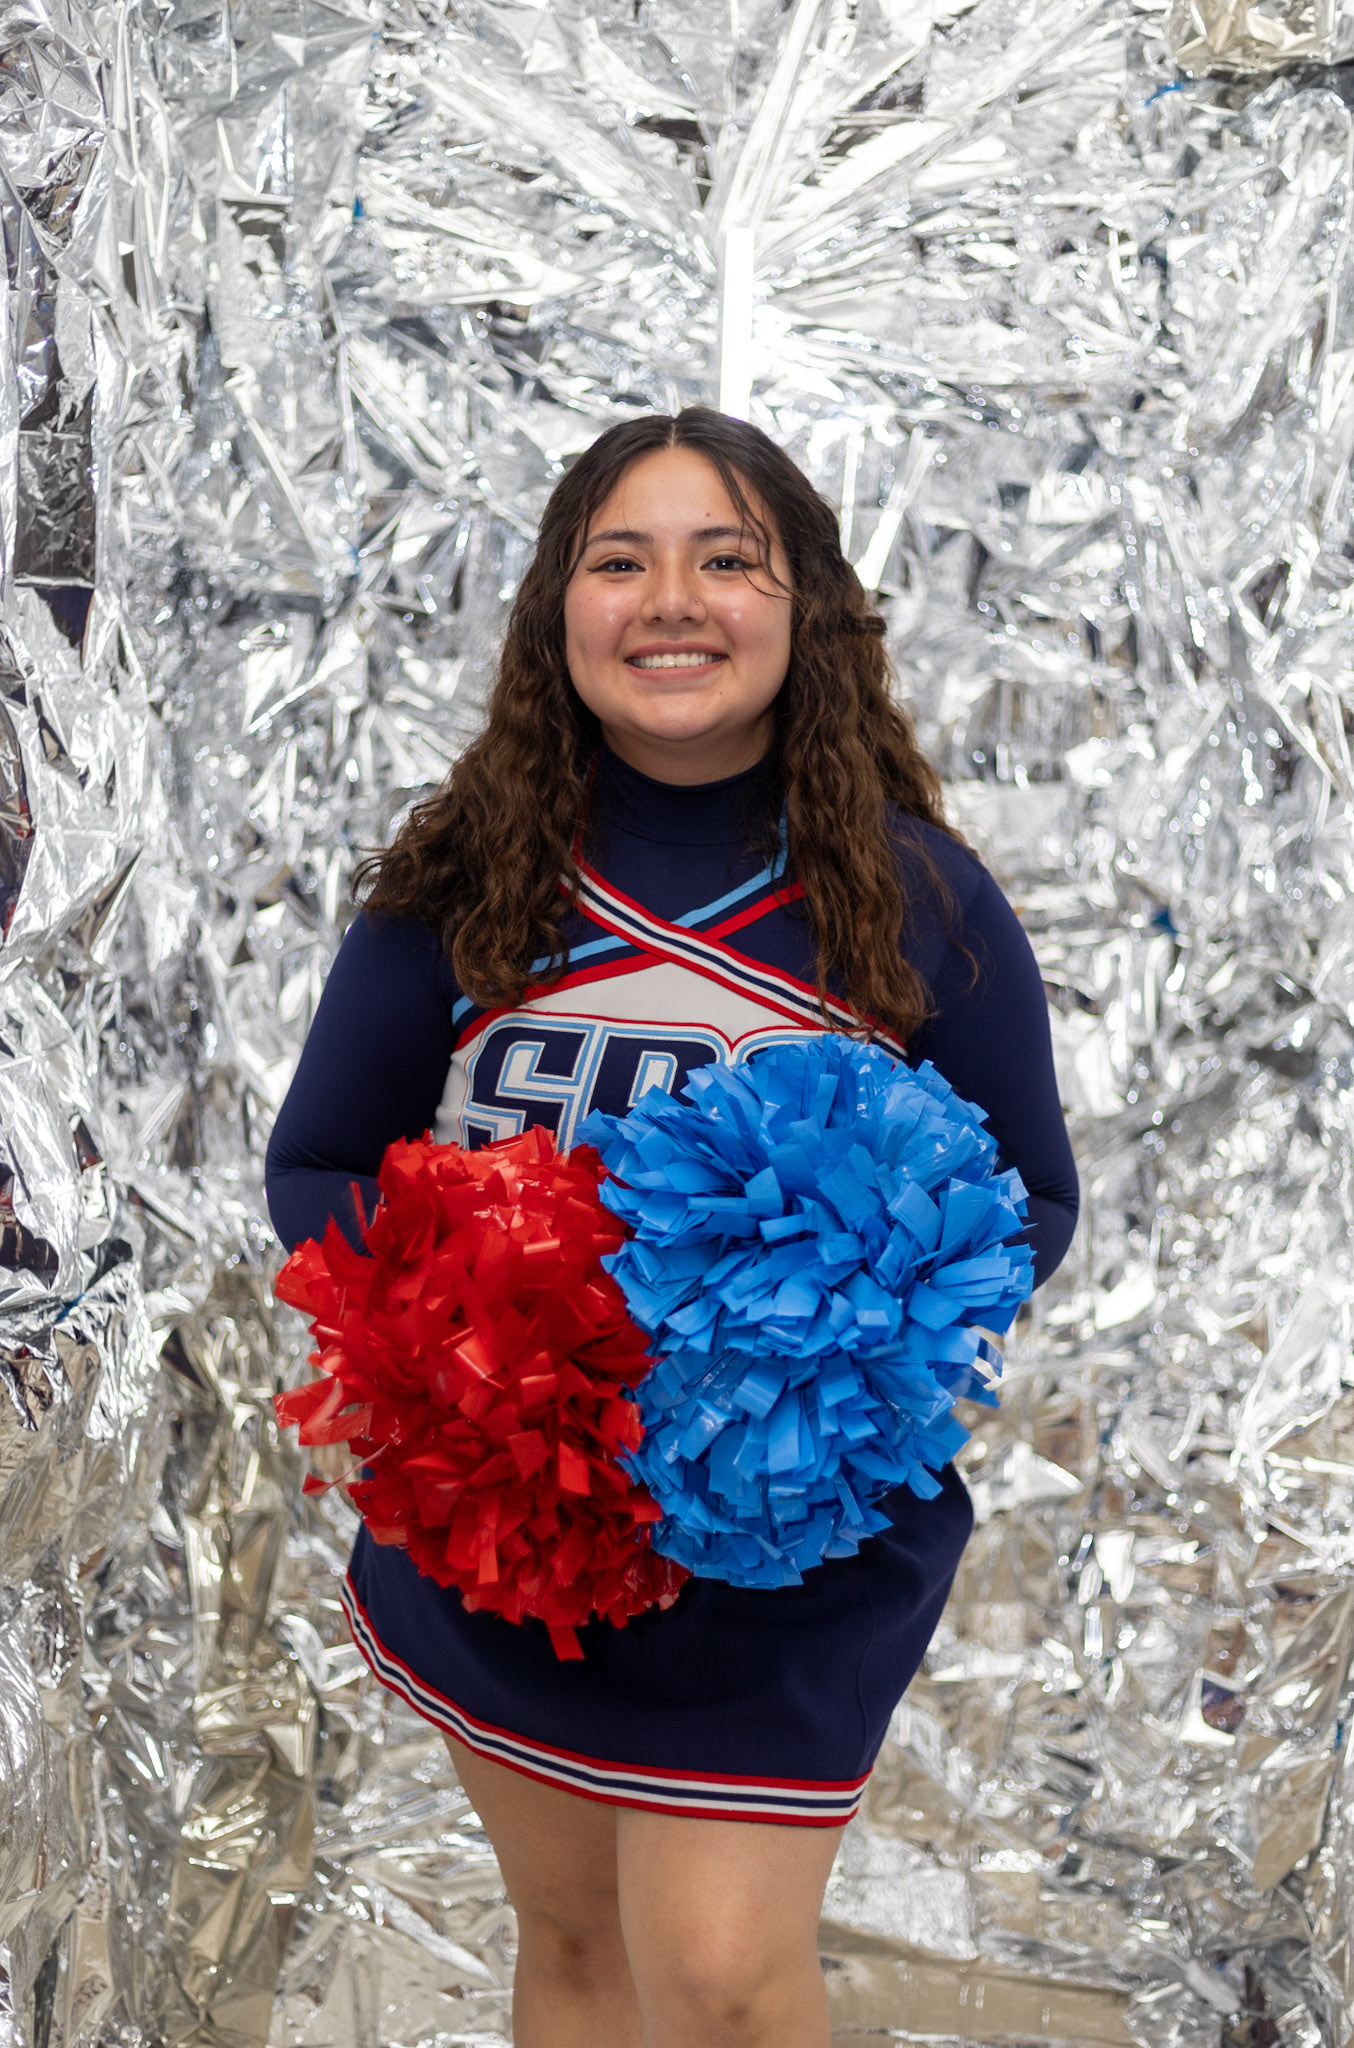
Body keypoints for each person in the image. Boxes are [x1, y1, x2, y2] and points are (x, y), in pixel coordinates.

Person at [264, 407, 1079, 2048]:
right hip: (526, 1531)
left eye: (727, 559)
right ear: (558, 608)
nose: (670, 600)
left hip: (792, 1539)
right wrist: (486, 1313)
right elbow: (318, 1166)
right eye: (618, 559)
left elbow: (1031, 1197)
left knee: (715, 1977)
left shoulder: (912, 895)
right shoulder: (459, 884)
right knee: (578, 1954)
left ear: (805, 610)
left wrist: (833, 1342)